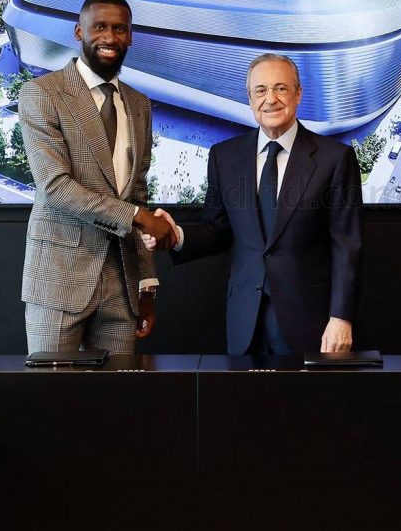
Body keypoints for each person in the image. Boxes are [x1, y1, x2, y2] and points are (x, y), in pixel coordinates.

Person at [142, 54, 362, 354]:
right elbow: (218, 230)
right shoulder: (225, 156)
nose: (270, 99)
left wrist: (341, 317)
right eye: (260, 90)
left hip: (311, 321)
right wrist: (177, 234)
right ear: (249, 98)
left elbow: (347, 245)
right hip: (245, 318)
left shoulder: (334, 159)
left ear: (298, 93)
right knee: (245, 401)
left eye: (281, 88)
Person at [19, 0, 174, 354]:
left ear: (130, 36)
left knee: (115, 406)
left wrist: (146, 284)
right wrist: (138, 216)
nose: (110, 37)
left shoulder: (138, 105)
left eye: (120, 29)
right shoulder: (43, 93)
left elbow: (137, 194)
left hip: (123, 288)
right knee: (53, 404)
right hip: (58, 281)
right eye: (100, 27)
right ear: (79, 32)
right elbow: (55, 188)